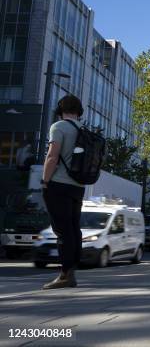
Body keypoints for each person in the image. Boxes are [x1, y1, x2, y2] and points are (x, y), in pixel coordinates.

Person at [41, 95, 86, 290]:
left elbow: (52, 156)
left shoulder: (58, 127)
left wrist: (45, 181)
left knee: (62, 230)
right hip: (78, 186)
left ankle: (65, 275)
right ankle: (72, 271)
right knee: (74, 228)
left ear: (60, 110)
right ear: (79, 111)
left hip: (59, 184)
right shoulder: (82, 131)